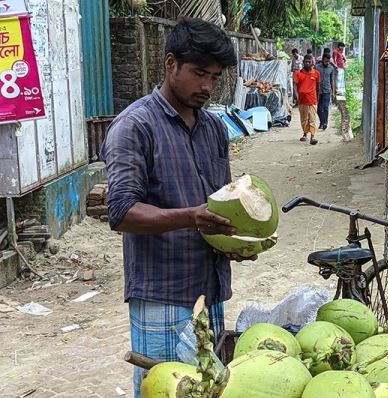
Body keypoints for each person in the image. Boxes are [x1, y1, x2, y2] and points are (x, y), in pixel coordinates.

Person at [101, 19, 251, 398]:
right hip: (162, 293)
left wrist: (236, 241)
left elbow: (222, 202)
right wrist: (190, 217)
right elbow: (121, 212)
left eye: (215, 78)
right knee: (166, 391)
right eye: (199, 73)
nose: (207, 86)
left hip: (211, 289)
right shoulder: (134, 126)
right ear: (170, 65)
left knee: (210, 390)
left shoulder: (215, 128)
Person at [294, 54, 320, 145]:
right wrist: (296, 97)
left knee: (312, 119)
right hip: (302, 100)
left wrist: (318, 99)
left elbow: (318, 87)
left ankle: (313, 137)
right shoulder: (298, 74)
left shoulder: (316, 73)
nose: (307, 63)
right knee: (304, 119)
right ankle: (305, 134)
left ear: (312, 62)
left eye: (309, 62)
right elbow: (295, 86)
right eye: (306, 62)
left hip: (312, 100)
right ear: (303, 62)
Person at [315, 53, 336, 130]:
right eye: (325, 61)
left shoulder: (331, 68)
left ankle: (325, 123)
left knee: (325, 107)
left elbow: (332, 80)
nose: (327, 63)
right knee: (319, 108)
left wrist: (333, 92)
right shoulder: (316, 67)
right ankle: (322, 122)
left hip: (327, 90)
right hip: (318, 90)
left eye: (328, 61)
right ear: (322, 60)